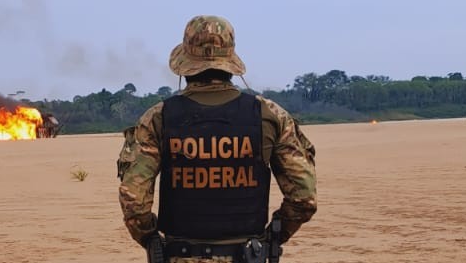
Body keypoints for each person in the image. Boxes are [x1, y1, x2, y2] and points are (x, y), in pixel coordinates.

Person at [118, 15, 317, 262]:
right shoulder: (270, 115)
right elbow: (304, 197)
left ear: (185, 63)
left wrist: (151, 239)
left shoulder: (157, 118)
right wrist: (273, 237)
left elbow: (134, 202)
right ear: (229, 62)